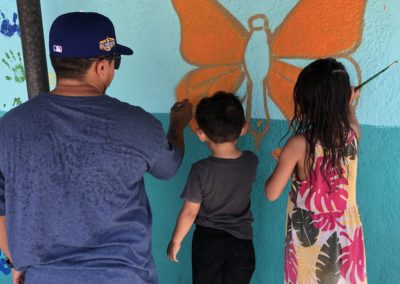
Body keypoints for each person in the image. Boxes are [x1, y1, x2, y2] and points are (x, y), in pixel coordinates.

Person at [0, 12, 192, 284]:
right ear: (102, 67)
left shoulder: (9, 127)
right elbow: (169, 167)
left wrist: (16, 259)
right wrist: (177, 126)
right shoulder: (137, 124)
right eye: (116, 61)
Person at [265, 58, 367, 283]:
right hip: (346, 237)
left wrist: (282, 161)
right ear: (342, 101)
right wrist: (348, 105)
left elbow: (271, 193)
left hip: (310, 243)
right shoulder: (353, 135)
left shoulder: (298, 145)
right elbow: (351, 118)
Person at [167, 91, 258, 284]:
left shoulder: (200, 170)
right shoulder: (251, 161)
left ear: (201, 134)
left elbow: (190, 213)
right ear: (244, 128)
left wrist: (176, 241)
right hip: (242, 243)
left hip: (208, 241)